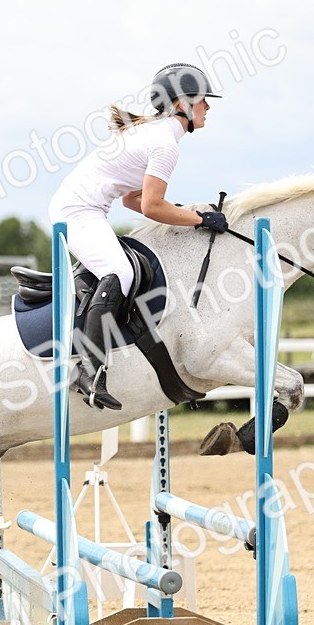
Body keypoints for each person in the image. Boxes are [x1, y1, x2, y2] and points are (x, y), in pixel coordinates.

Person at [49, 62, 228, 411]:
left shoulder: (156, 136)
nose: (209, 106)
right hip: (77, 212)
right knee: (123, 273)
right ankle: (86, 369)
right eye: (203, 100)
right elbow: (150, 205)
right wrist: (200, 218)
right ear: (182, 105)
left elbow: (134, 200)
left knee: (125, 270)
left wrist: (188, 215)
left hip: (81, 210)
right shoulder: (165, 144)